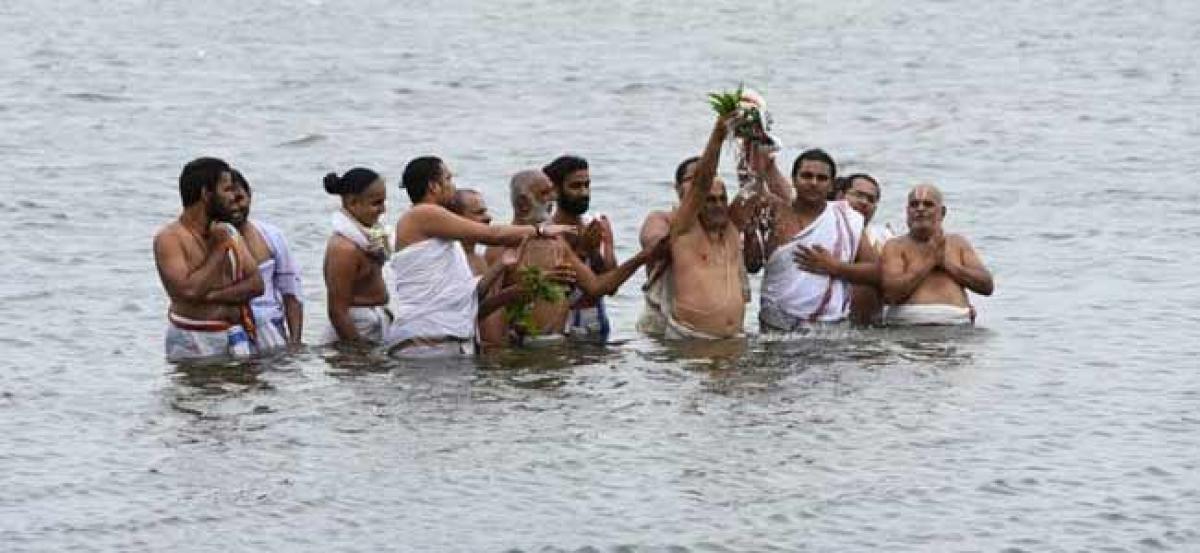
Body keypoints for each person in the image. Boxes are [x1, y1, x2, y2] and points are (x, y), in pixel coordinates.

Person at [388, 157, 575, 356]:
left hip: (443, 339)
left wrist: (502, 265)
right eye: (449, 178)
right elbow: (492, 235)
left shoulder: (444, 237)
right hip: (427, 339)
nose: (453, 185)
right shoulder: (423, 213)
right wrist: (540, 231)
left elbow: (470, 297)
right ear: (434, 186)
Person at [483, 168, 661, 346]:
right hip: (519, 347)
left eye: (552, 191)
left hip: (559, 345)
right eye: (544, 193)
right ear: (523, 203)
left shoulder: (556, 241)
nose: (553, 198)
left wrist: (643, 256)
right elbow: (485, 307)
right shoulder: (499, 246)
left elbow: (597, 287)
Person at [638, 113, 750, 339]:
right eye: (709, 199)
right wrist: (718, 135)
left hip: (733, 342)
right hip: (688, 341)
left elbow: (754, 187)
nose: (717, 204)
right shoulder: (676, 225)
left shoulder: (728, 225)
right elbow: (701, 184)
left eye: (722, 198)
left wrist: (754, 141)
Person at [746, 148, 880, 331]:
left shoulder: (846, 218)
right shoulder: (773, 214)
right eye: (807, 176)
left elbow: (876, 272)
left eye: (821, 178)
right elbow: (752, 266)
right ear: (794, 179)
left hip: (830, 329)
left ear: (832, 185)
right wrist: (751, 234)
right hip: (775, 326)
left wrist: (835, 267)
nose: (813, 183)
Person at [154, 157, 264, 361]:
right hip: (193, 340)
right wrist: (219, 248)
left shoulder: (228, 230)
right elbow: (189, 290)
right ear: (206, 194)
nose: (234, 196)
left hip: (235, 335)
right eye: (227, 190)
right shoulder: (169, 238)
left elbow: (257, 285)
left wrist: (212, 296)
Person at [880, 184, 994, 325]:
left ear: (942, 212)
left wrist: (947, 264)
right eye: (914, 205)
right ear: (907, 211)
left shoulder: (957, 242)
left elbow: (986, 286)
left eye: (928, 204)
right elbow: (892, 293)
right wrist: (928, 262)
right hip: (907, 326)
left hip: (956, 327)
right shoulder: (895, 246)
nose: (920, 209)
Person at [228, 170, 304, 352]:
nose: (235, 207)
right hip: (230, 331)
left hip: (271, 327)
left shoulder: (271, 236)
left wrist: (294, 342)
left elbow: (291, 294)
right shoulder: (208, 242)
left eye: (240, 199)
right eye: (229, 201)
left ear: (249, 196)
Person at [544, 155, 618, 340]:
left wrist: (605, 245)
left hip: (598, 321)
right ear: (555, 190)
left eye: (587, 185)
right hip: (565, 325)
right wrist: (583, 249)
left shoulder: (595, 225)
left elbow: (611, 287)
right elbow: (555, 291)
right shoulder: (547, 233)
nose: (584, 193)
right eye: (575, 186)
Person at [322, 168, 391, 346]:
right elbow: (337, 311)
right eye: (376, 203)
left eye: (384, 202)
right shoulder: (344, 249)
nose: (383, 210)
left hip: (374, 323)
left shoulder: (368, 240)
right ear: (352, 203)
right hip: (356, 330)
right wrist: (357, 350)